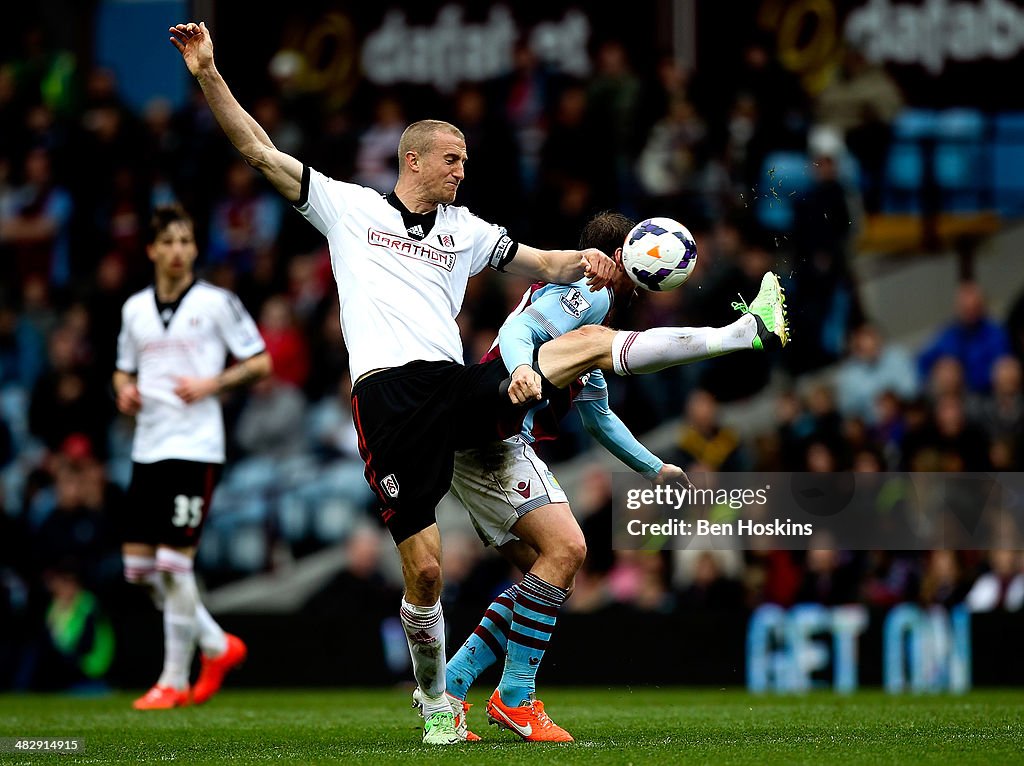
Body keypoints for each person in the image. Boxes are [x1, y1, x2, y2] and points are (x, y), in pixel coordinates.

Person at [169, 21, 787, 744]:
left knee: (584, 352)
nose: (462, 171)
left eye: (464, 161)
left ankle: (739, 334)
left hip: (457, 388)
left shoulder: (465, 230)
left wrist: (584, 263)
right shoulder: (350, 209)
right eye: (452, 160)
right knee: (426, 574)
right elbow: (257, 149)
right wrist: (209, 72)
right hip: (387, 399)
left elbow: (541, 264)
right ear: (415, 159)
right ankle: (438, 697)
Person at [433, 212, 786, 742]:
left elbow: (598, 417)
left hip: (482, 437)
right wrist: (525, 368)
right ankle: (514, 697)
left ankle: (455, 683)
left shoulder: (583, 328)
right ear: (624, 256)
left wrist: (654, 466)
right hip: (491, 419)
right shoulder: (589, 291)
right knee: (569, 551)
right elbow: (517, 329)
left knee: (545, 574)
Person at [114, 204, 272, 709]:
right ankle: (216, 644)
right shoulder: (134, 309)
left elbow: (260, 361)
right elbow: (122, 369)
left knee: (174, 565)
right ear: (152, 250)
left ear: (195, 248)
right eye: (169, 242)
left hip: (195, 447)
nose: (178, 251)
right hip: (148, 446)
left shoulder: (217, 302)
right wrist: (124, 390)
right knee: (140, 571)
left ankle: (173, 680)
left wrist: (213, 382)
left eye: (186, 241)